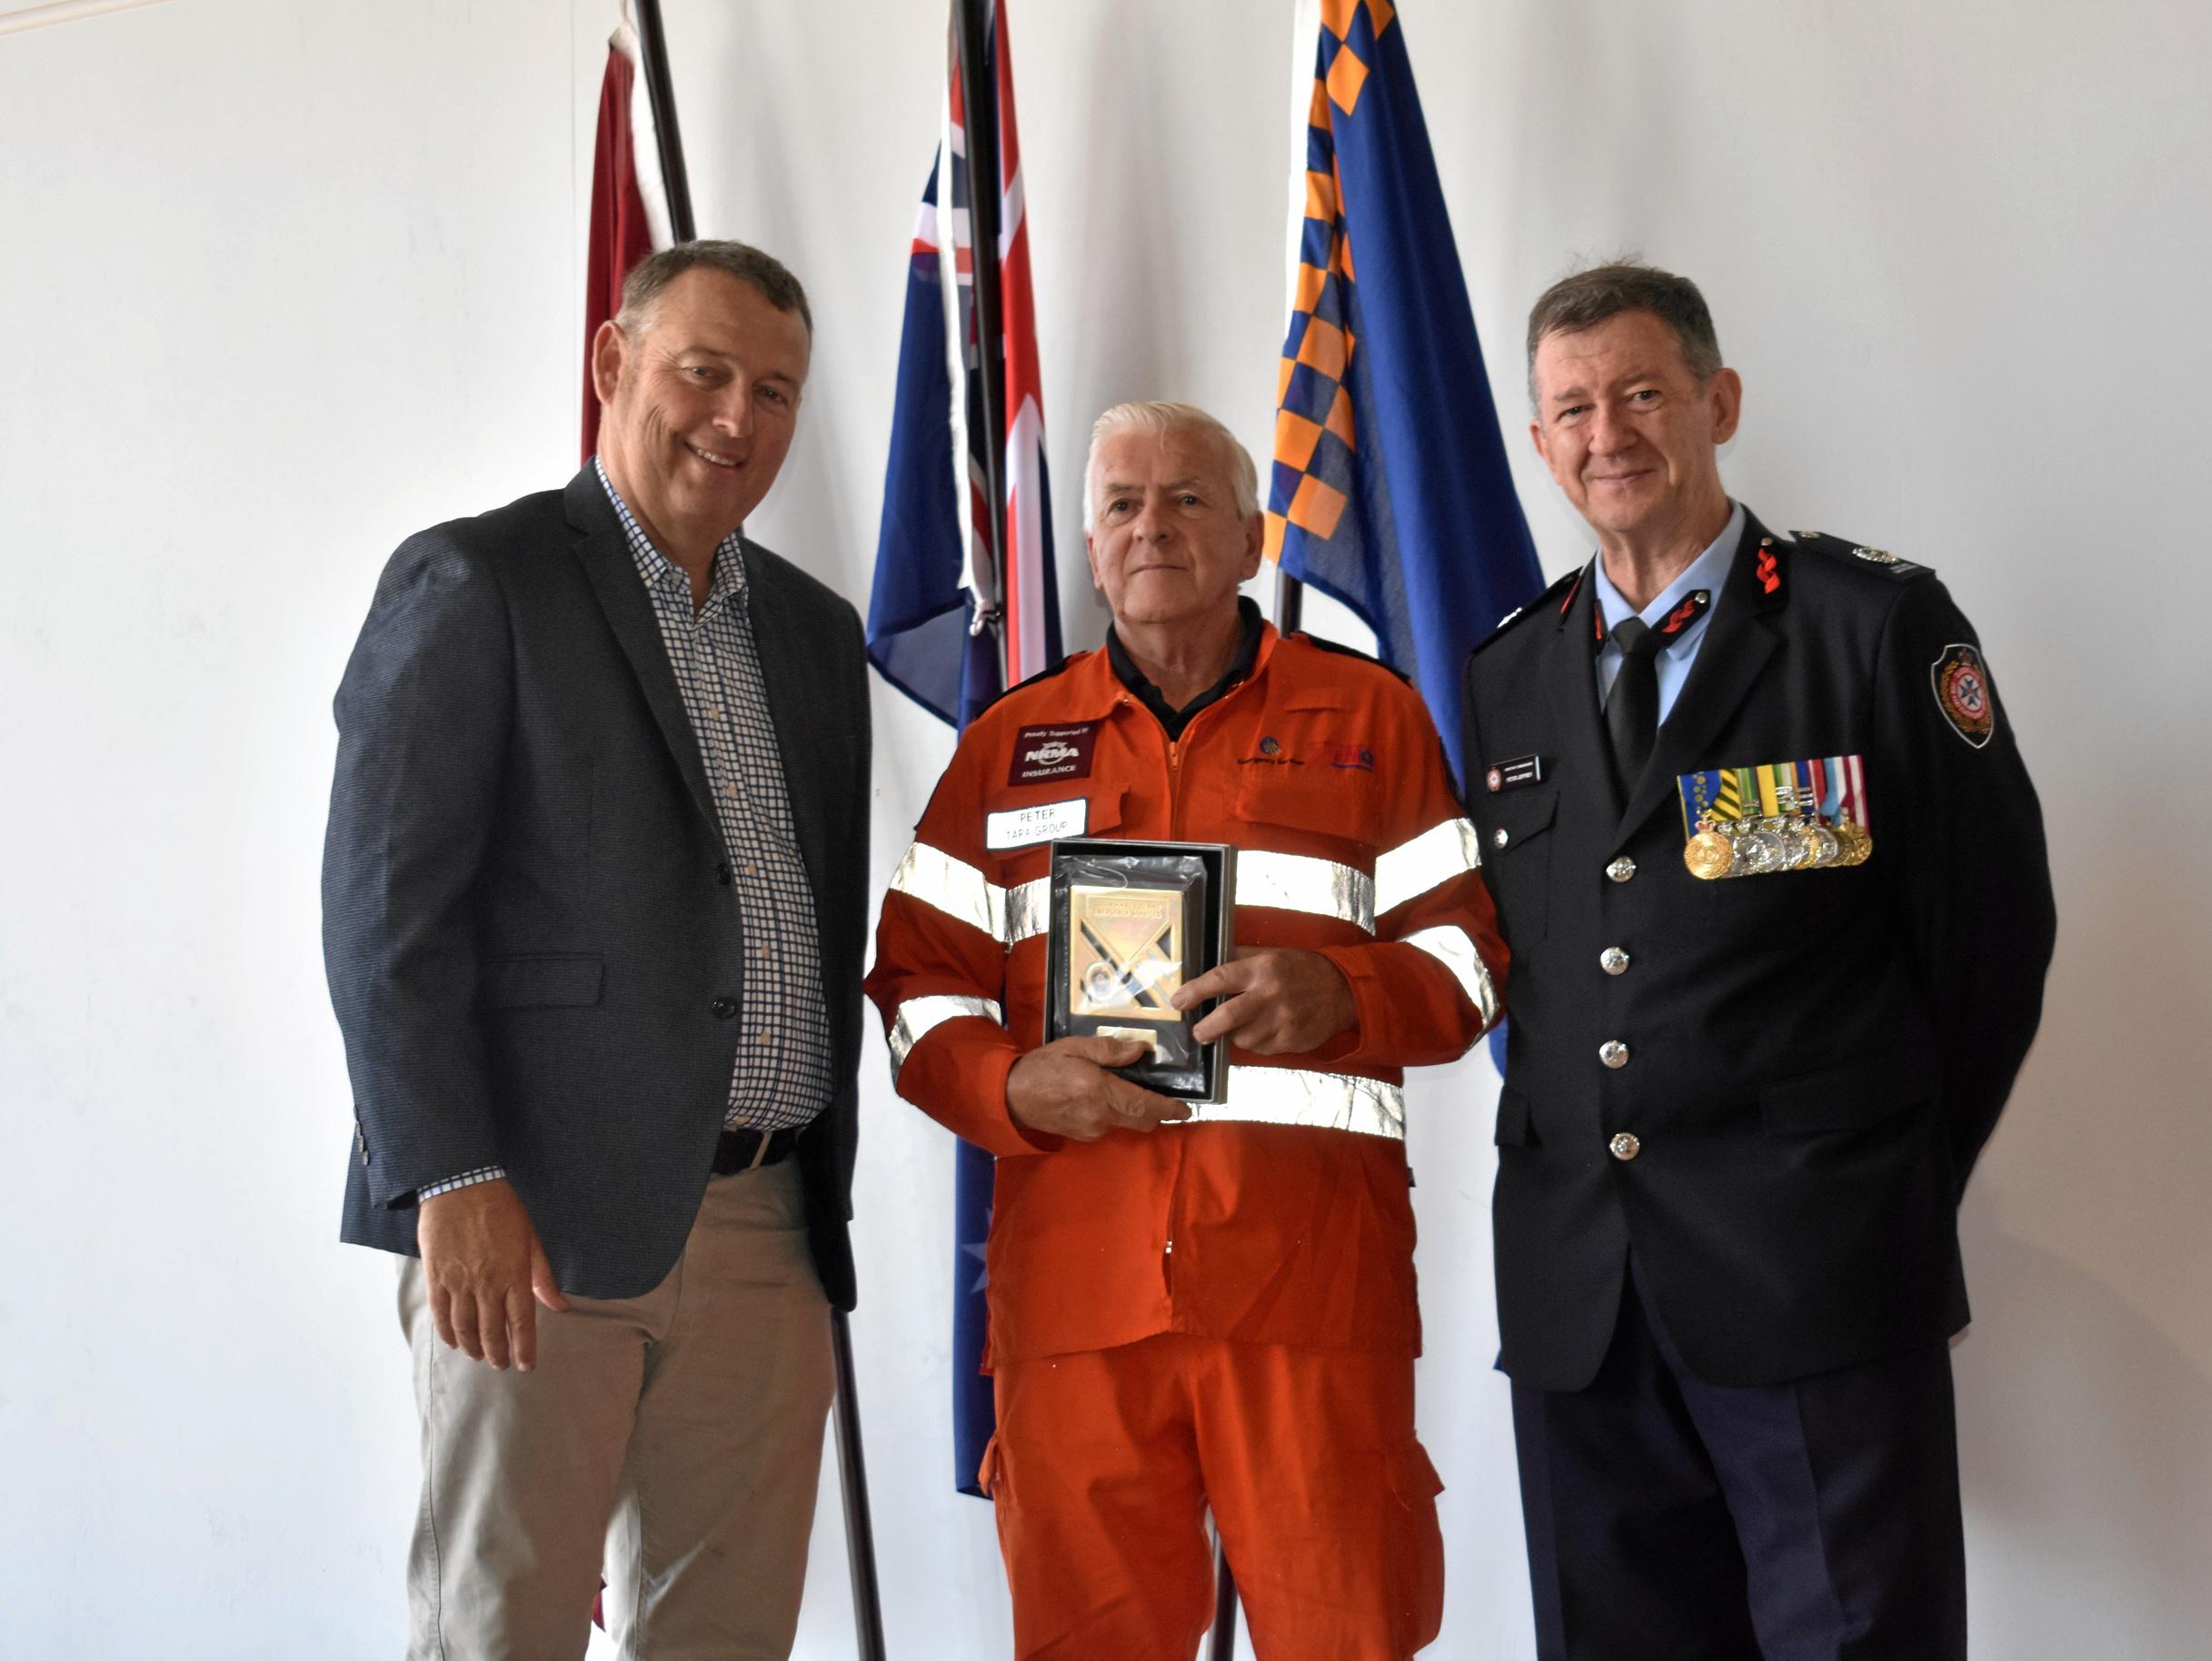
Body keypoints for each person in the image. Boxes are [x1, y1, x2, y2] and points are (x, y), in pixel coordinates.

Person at [1462, 262, 2056, 1658]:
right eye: (1571, 409)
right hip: (1578, 1303)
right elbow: (1536, 970)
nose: (1606, 432)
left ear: (1717, 403)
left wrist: (1872, 1180)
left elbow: (1989, 940)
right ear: (1538, 445)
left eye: (1641, 393)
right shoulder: (1507, 670)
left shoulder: (1869, 627)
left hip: (1815, 1274)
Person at [865, 402, 1505, 1660]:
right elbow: (915, 989)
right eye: (1120, 505)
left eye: (1187, 499)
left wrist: (1346, 996)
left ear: (1254, 536)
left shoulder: (1370, 720)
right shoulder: (1003, 751)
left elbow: (1472, 959)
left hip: (1308, 1300)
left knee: (1346, 1640)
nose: (1150, 526)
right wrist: (1010, 1087)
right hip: (1075, 1307)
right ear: (1092, 549)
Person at [322, 240, 870, 1660]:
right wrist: (449, 1174)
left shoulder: (813, 633)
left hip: (768, 1228)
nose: (736, 417)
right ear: (613, 362)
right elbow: (387, 916)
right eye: (703, 371)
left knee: (728, 1637)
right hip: (538, 1226)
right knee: (502, 1626)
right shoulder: (477, 580)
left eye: (774, 390)